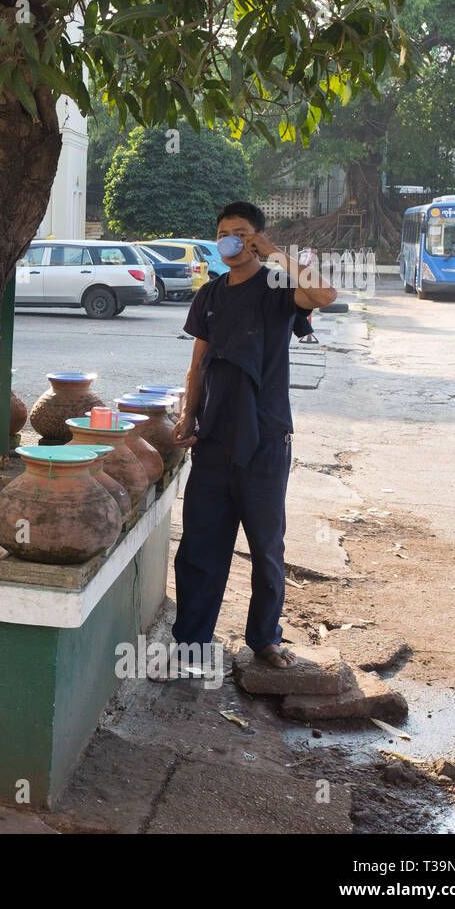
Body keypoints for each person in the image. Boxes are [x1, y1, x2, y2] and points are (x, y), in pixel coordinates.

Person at [169, 202, 337, 673]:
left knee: (266, 547)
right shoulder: (209, 295)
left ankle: (265, 637)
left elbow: (324, 295)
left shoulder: (278, 287)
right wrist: (189, 414)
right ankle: (191, 645)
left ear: (256, 238)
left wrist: (275, 253)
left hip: (266, 438)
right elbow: (197, 363)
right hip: (214, 440)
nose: (231, 241)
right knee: (200, 548)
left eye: (241, 233)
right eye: (224, 233)